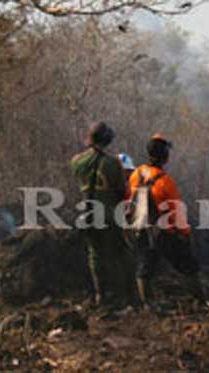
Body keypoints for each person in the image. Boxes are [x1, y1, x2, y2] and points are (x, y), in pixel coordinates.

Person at [128, 134, 205, 308]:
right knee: (188, 266)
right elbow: (176, 211)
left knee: (144, 267)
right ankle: (199, 302)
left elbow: (129, 199)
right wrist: (185, 234)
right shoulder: (165, 182)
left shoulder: (136, 173)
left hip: (140, 228)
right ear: (165, 157)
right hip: (164, 233)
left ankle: (147, 304)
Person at [70, 122, 134, 306]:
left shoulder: (77, 162)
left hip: (88, 214)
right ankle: (125, 296)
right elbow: (122, 191)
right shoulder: (112, 163)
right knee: (120, 253)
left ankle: (101, 295)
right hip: (109, 215)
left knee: (95, 256)